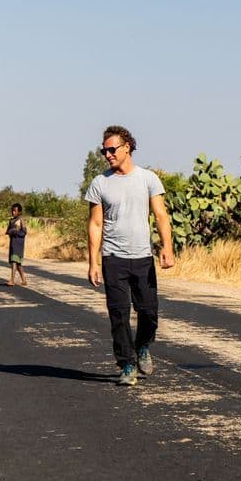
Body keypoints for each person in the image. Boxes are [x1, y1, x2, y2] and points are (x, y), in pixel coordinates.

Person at [85, 125, 175, 387]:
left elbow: (160, 215)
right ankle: (126, 364)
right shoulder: (100, 183)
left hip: (143, 257)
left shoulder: (148, 179)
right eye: (104, 151)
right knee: (119, 314)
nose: (108, 155)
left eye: (112, 149)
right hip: (114, 258)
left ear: (127, 147)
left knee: (149, 312)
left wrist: (166, 247)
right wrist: (94, 262)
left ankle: (143, 345)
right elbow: (95, 224)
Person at [6, 203, 27, 286]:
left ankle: (12, 280)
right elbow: (8, 231)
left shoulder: (21, 220)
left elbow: (24, 232)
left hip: (18, 244)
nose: (13, 212)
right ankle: (24, 280)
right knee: (18, 264)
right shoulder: (11, 221)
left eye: (15, 211)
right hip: (12, 243)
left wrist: (15, 232)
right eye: (12, 210)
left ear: (19, 212)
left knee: (14, 262)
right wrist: (10, 232)